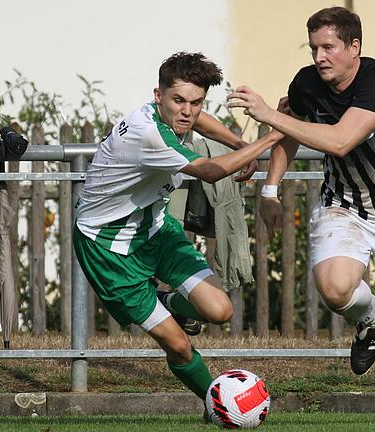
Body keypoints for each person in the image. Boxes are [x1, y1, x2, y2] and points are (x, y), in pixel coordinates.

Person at [228, 6, 375, 424]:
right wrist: (270, 190)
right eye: (314, 48)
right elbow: (290, 134)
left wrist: (268, 114)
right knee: (334, 287)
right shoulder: (307, 84)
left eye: (328, 47)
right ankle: (372, 314)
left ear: (354, 47)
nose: (319, 56)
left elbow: (342, 140)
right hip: (343, 206)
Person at [73, 52, 281, 407]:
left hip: (154, 230)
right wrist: (273, 135)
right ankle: (218, 406)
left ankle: (169, 301)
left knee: (220, 311)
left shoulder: (169, 116)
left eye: (196, 102)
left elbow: (200, 123)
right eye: (179, 100)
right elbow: (212, 171)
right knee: (180, 345)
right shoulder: (149, 135)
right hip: (108, 250)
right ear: (158, 95)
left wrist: (241, 145)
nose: (187, 111)